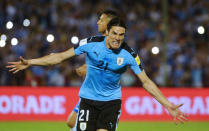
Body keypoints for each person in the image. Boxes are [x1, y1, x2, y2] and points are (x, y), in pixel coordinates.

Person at [7, 18, 188, 131]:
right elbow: (60, 57)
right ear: (107, 32)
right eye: (114, 33)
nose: (118, 38)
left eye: (122, 35)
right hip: (87, 100)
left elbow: (146, 82)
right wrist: (30, 62)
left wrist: (167, 105)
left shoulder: (129, 54)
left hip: (110, 102)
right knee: (72, 124)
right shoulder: (91, 43)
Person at [67, 10, 119, 130]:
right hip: (89, 96)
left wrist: (90, 70)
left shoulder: (118, 47)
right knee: (71, 122)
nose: (97, 22)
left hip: (107, 99)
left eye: (101, 20)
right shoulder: (94, 42)